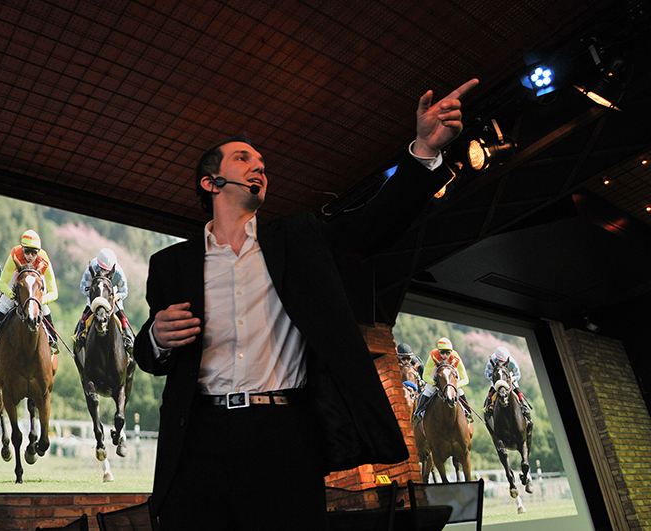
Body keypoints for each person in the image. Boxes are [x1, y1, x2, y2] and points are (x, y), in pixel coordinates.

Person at [134, 78, 478, 530]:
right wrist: (156, 337)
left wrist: (424, 152)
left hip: (284, 432)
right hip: (199, 435)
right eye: (243, 159)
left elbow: (372, 226)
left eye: (263, 165)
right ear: (210, 181)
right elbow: (150, 357)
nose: (259, 168)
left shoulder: (298, 238)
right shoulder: (169, 264)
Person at [0, 230, 59, 354]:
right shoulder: (15, 255)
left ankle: (53, 340)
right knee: (5, 303)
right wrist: (13, 296)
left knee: (44, 308)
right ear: (22, 249)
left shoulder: (44, 261)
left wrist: (38, 301)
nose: (30, 256)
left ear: (38, 252)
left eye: (34, 252)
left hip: (36, 281)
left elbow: (54, 292)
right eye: (26, 251)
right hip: (18, 277)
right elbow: (2, 283)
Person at [72, 247, 134, 354]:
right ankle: (80, 335)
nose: (104, 272)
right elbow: (83, 286)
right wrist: (95, 295)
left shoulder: (119, 273)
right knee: (85, 315)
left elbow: (124, 291)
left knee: (121, 316)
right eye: (101, 269)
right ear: (98, 265)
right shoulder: (91, 268)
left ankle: (129, 339)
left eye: (107, 271)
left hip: (111, 295)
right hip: (95, 293)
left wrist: (116, 297)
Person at [412, 337, 473, 424]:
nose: (445, 355)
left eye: (447, 352)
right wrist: (434, 384)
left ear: (451, 352)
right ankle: (418, 412)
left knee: (459, 391)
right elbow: (425, 375)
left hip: (451, 374)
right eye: (442, 352)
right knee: (428, 389)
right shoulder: (433, 355)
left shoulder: (456, 358)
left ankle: (467, 412)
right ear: (438, 351)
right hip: (437, 371)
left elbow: (465, 379)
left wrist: (454, 386)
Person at [483, 346, 532, 423]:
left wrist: (512, 379)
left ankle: (525, 407)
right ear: (496, 358)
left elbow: (518, 375)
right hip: (496, 379)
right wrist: (495, 378)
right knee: (490, 393)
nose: (502, 363)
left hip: (509, 379)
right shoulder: (491, 361)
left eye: (504, 361)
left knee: (518, 391)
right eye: (500, 361)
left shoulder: (512, 362)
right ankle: (488, 408)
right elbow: (487, 373)